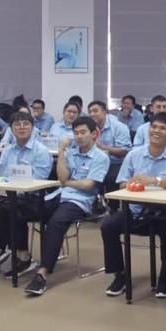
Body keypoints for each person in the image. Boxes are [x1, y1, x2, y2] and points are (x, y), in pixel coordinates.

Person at [101, 113, 166, 298]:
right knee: (108, 226)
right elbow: (122, 182)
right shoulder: (134, 154)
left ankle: (165, 279)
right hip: (135, 211)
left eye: (162, 128)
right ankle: (120, 275)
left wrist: (154, 181)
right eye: (154, 127)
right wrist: (131, 184)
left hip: (165, 211)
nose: (157, 131)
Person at [23, 117, 110, 296]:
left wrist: (67, 183)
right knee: (19, 209)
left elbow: (88, 185)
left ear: (94, 134)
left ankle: (42, 273)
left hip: (80, 201)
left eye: (83, 132)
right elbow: (62, 177)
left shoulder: (101, 157)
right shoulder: (70, 153)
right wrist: (62, 150)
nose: (79, 136)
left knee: (56, 222)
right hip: (59, 195)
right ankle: (21, 257)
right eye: (76, 133)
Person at [0, 111, 53, 276]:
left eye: (26, 124)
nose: (21, 127)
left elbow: (39, 179)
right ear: (11, 129)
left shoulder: (40, 151)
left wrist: (12, 191)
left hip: (34, 198)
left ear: (32, 128)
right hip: (10, 194)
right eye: (17, 124)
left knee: (9, 207)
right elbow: (3, 175)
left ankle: (23, 257)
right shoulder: (8, 151)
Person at [87, 100, 131, 199]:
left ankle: (112, 204)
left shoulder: (119, 127)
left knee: (111, 177)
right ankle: (91, 202)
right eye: (90, 112)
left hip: (115, 163)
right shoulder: (89, 128)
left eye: (95, 111)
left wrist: (101, 147)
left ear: (104, 112)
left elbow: (124, 151)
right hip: (95, 162)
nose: (92, 114)